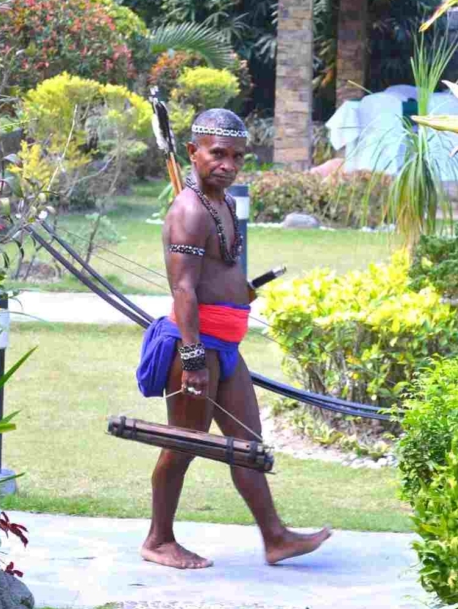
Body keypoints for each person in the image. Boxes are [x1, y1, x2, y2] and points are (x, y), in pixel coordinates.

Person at [134, 108, 332, 569]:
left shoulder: (220, 203)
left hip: (226, 348)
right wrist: (195, 357)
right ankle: (158, 539)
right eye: (218, 154)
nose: (228, 164)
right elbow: (182, 287)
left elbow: (216, 270)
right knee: (184, 443)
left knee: (247, 444)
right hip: (197, 350)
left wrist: (237, 292)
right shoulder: (187, 210)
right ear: (193, 153)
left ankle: (275, 537)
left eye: (238, 157)